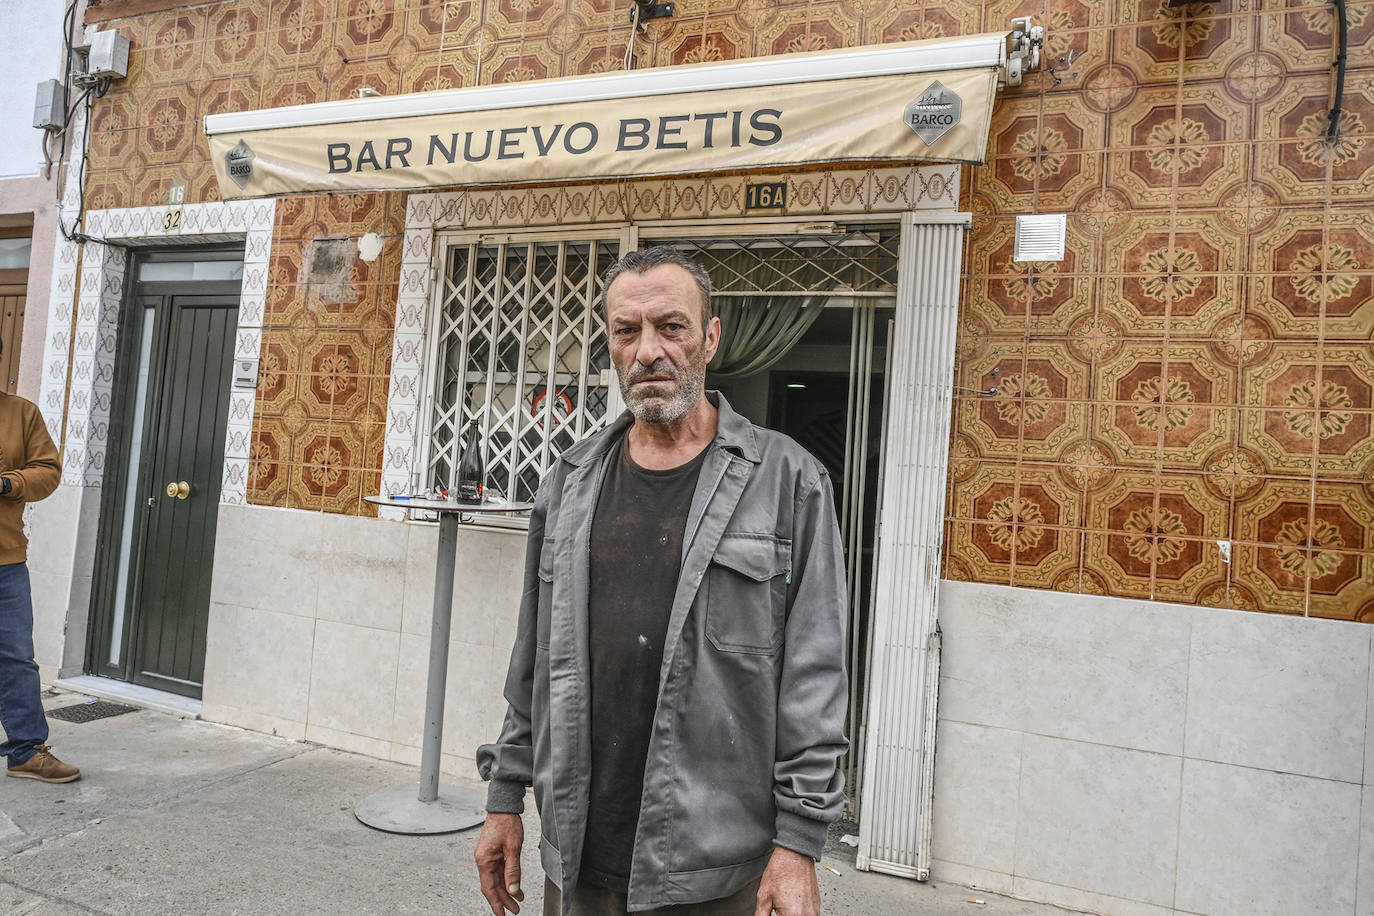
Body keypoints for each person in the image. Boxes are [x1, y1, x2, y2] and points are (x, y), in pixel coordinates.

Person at [475, 246, 848, 915]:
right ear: (612, 345)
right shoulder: (569, 481)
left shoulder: (787, 481)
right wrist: (506, 795)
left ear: (709, 338)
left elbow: (814, 675)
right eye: (627, 331)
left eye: (670, 327)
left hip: (714, 863)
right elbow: (533, 657)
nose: (648, 350)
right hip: (580, 846)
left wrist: (798, 844)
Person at [0, 339, 77, 783]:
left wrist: (8, 484)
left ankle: (26, 750)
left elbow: (48, 470)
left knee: (16, 657)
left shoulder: (21, 413)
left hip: (5, 560)